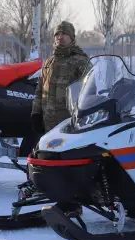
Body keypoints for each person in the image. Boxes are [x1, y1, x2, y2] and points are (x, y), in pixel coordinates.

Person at [19, 21, 91, 157]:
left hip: (68, 124)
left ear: (71, 37)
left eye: (64, 33)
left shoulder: (81, 61)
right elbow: (40, 91)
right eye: (57, 34)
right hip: (48, 124)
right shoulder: (49, 62)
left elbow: (89, 91)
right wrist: (36, 114)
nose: (60, 37)